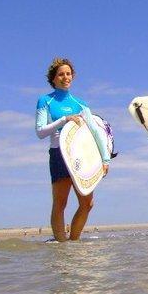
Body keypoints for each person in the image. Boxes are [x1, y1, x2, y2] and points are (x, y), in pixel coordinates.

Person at [35, 57, 110, 242]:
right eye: (61, 74)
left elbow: (95, 131)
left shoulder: (80, 104)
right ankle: (61, 245)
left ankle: (73, 243)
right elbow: (40, 132)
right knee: (60, 203)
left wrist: (105, 159)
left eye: (68, 74)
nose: (65, 77)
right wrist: (64, 120)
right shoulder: (45, 101)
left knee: (87, 203)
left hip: (81, 155)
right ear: (53, 78)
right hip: (59, 153)